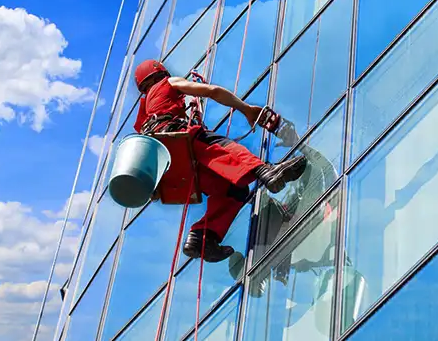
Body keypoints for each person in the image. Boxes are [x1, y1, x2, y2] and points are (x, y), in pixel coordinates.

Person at [132, 59, 308, 263]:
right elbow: (213, 91)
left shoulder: (144, 110)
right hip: (176, 139)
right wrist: (245, 109)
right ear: (160, 73)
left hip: (169, 166)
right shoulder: (168, 83)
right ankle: (266, 172)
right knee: (223, 147)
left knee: (232, 190)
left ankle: (203, 237)